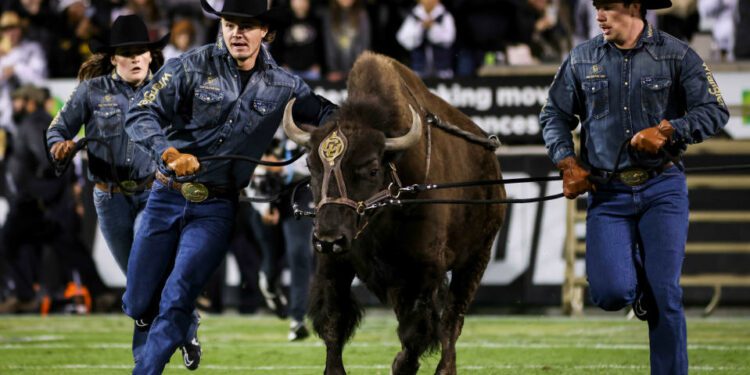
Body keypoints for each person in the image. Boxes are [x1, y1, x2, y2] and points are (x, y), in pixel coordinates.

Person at [121, 0, 337, 372]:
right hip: (166, 196)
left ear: (265, 32)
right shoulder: (189, 65)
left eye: (248, 25)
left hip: (216, 209)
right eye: (230, 24)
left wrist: (356, 126)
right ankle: (185, 326)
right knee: (138, 302)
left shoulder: (284, 85)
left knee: (176, 296)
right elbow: (140, 111)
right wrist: (169, 153)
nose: (238, 32)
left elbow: (327, 113)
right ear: (221, 26)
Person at [540, 1, 729, 373]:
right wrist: (567, 161)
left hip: (663, 188)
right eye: (597, 7)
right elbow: (554, 115)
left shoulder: (677, 55)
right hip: (608, 194)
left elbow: (715, 110)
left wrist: (669, 130)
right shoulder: (581, 59)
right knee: (610, 294)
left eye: (608, 6)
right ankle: (641, 287)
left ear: (634, 7)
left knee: (666, 294)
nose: (599, 15)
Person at [45, 15, 202, 370]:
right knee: (138, 281)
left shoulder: (169, 90)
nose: (134, 58)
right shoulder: (91, 91)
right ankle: (187, 323)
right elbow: (57, 129)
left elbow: (193, 134)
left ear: (151, 56)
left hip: (155, 193)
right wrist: (60, 147)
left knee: (142, 275)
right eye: (126, 53)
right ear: (113, 58)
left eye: (140, 52)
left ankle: (144, 360)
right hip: (108, 196)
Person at [396, 0, 456, 79]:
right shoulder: (414, 16)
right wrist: (420, 28)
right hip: (419, 69)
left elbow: (449, 38)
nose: (429, 1)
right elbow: (402, 38)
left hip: (442, 69)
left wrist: (433, 27)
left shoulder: (445, 15)